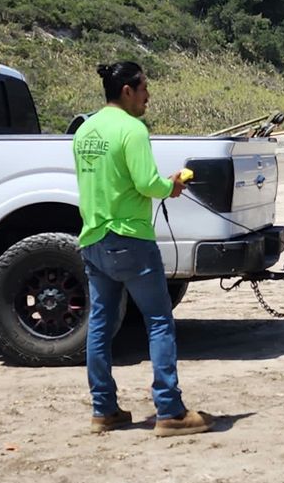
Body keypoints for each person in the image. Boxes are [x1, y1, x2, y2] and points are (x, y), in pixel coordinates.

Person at [72, 61, 208, 437]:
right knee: (159, 321)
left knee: (100, 325)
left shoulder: (85, 131)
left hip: (94, 239)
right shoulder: (133, 130)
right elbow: (147, 183)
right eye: (144, 87)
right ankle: (169, 411)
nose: (148, 95)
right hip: (130, 238)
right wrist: (172, 184)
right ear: (127, 91)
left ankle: (104, 410)